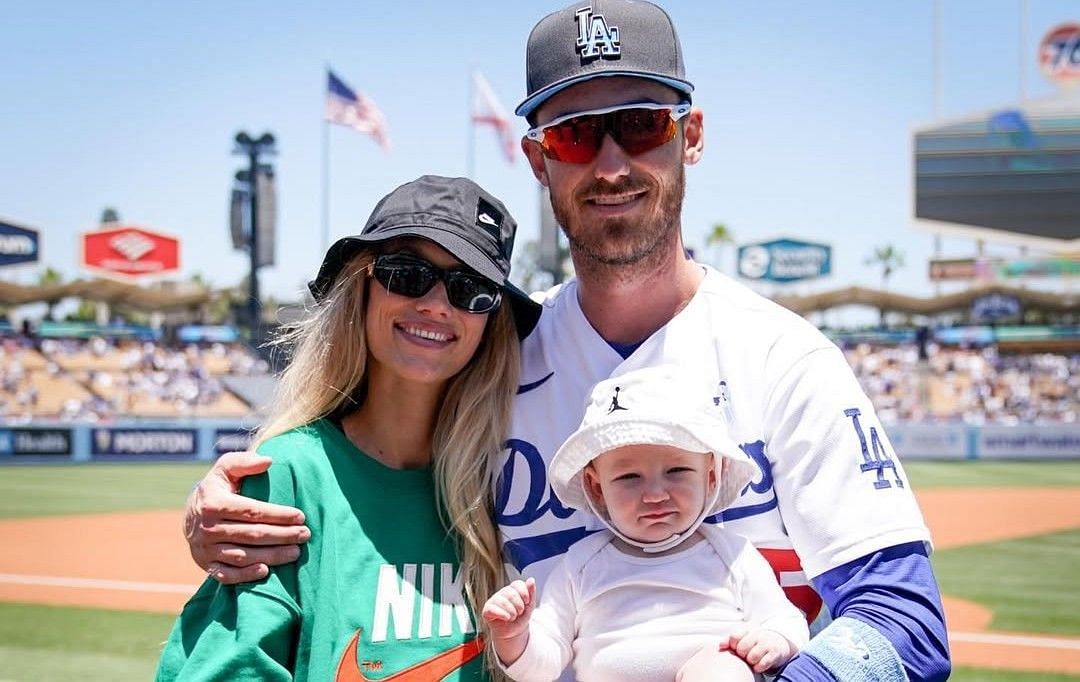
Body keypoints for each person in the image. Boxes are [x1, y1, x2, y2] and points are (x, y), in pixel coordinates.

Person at [183, 2, 952, 680]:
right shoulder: (492, 352)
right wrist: (236, 496)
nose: (612, 162)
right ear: (539, 159)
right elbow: (362, 456)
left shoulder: (785, 360)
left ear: (692, 136)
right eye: (578, 134)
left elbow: (905, 623)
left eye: (643, 123)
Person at [156, 175, 541, 681]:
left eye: (472, 289)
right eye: (407, 273)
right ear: (360, 287)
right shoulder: (288, 475)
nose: (436, 304)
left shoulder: (507, 482)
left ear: (491, 321)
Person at [482, 365, 809, 681]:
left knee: (723, 668)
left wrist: (776, 640)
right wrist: (514, 636)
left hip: (707, 664)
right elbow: (543, 666)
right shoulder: (580, 566)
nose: (654, 494)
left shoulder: (732, 555)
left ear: (711, 476)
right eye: (629, 477)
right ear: (598, 488)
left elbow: (784, 618)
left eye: (676, 471)